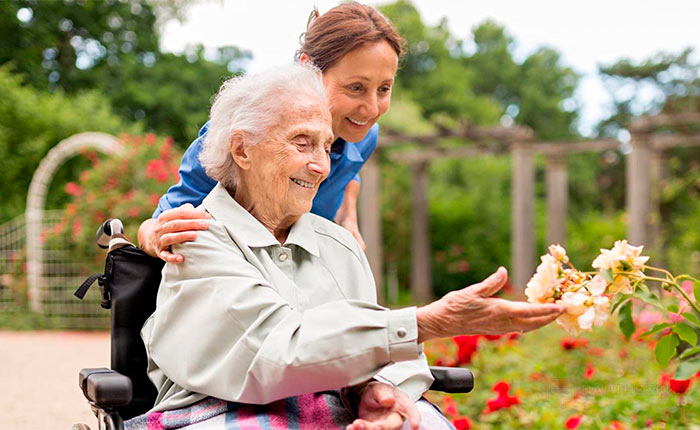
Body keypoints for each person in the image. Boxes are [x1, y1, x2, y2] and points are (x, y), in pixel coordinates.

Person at [126, 63, 564, 430]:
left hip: (336, 411)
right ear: (242, 149)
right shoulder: (196, 236)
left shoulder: (340, 245)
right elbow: (277, 353)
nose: (320, 165)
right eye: (302, 142)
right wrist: (425, 322)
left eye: (327, 145)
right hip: (217, 411)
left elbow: (387, 356)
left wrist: (377, 391)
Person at [138, 2, 400, 261]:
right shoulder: (243, 133)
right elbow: (156, 225)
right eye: (355, 87)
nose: (371, 108)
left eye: (384, 89)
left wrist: (348, 217)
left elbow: (349, 175)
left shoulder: (364, 138)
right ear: (309, 67)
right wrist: (154, 238)